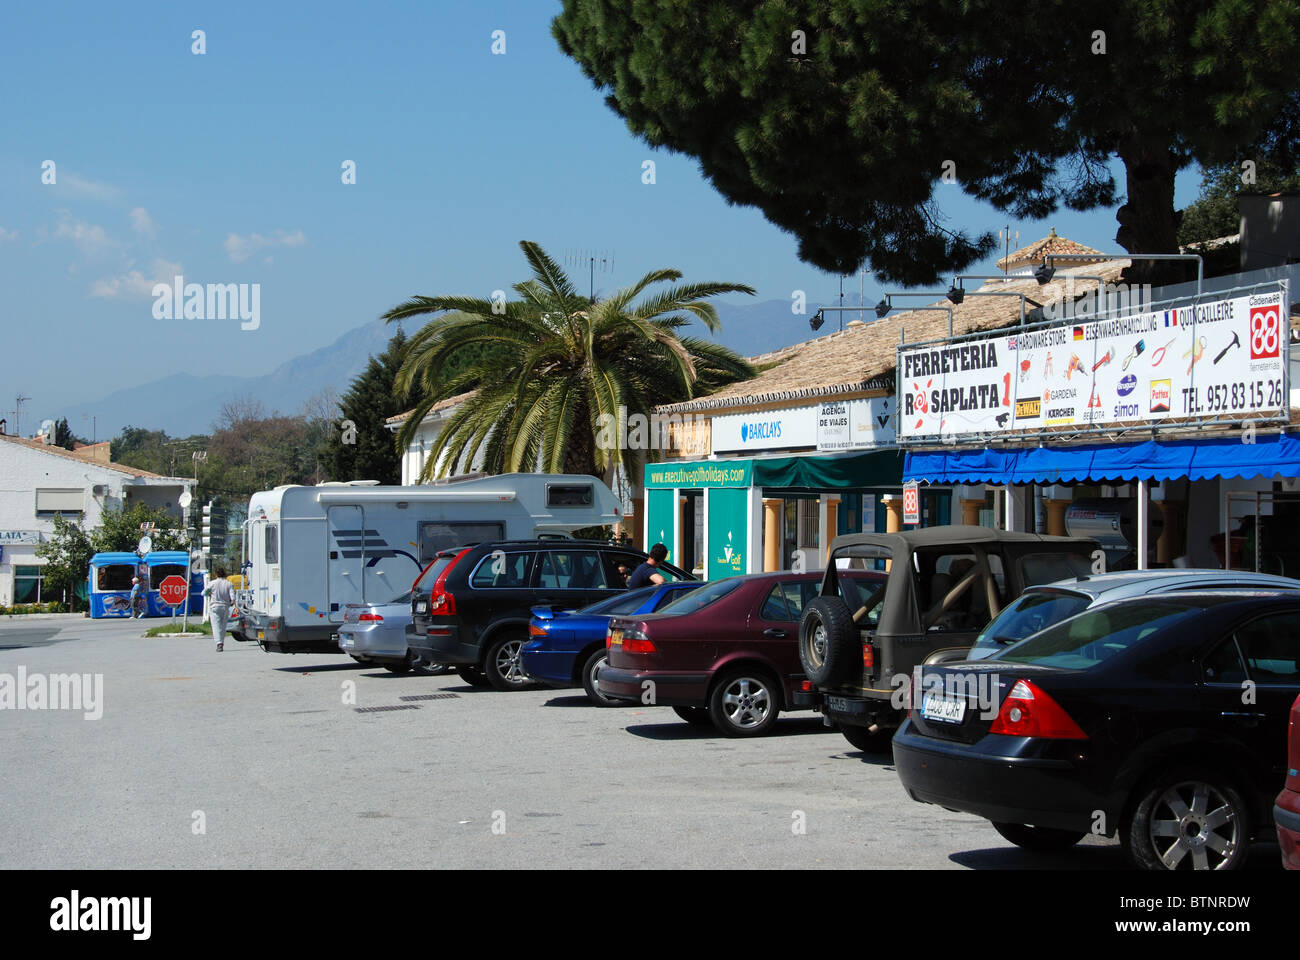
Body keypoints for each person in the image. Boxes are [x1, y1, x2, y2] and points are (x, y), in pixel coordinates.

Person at [203, 567, 236, 652]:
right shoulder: (229, 584)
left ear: (216, 574)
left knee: (216, 625)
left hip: (214, 606)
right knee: (223, 626)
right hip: (225, 607)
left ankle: (219, 643)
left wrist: (209, 593)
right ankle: (221, 641)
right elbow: (232, 596)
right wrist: (232, 602)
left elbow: (203, 593)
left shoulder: (212, 583)